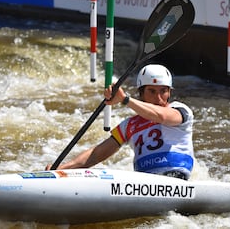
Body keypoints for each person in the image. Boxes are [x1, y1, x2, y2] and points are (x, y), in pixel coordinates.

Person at [47, 64, 194, 180]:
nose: (159, 98)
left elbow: (161, 116)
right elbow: (96, 154)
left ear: (170, 92)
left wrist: (125, 100)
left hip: (176, 178)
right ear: (141, 93)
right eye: (152, 91)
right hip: (146, 182)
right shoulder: (129, 125)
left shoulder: (180, 111)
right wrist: (63, 169)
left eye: (163, 91)